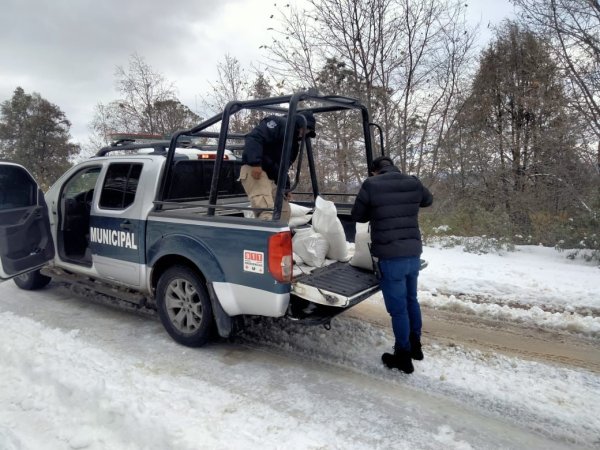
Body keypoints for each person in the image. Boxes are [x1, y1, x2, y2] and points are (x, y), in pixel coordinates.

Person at [351, 156, 433, 374]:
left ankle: (403, 357)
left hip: (390, 256)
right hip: (413, 253)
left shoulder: (371, 184)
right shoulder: (412, 182)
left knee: (398, 311)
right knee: (411, 300)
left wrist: (375, 208)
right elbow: (427, 200)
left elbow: (358, 216)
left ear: (374, 171)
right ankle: (416, 347)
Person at [240, 112, 316, 222]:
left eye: (309, 130)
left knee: (284, 211)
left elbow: (282, 168)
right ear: (300, 123)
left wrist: (286, 187)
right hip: (255, 170)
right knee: (267, 210)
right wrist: (255, 163)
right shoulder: (278, 123)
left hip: (272, 177)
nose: (306, 132)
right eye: (306, 128)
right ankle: (265, 237)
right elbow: (254, 138)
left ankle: (281, 237)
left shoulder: (294, 145)